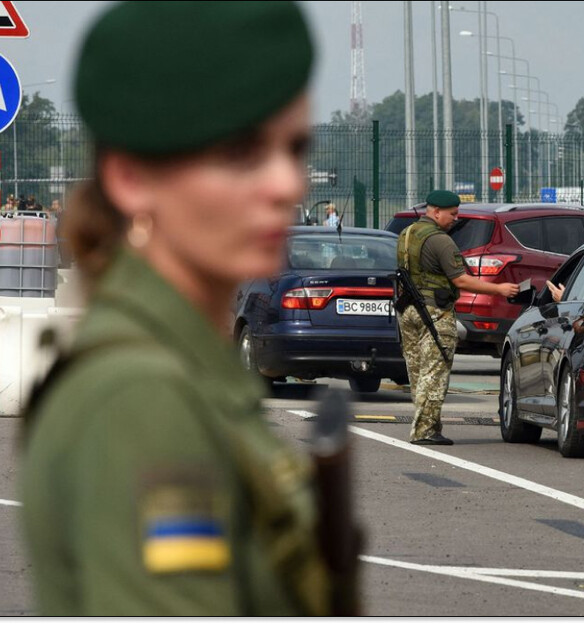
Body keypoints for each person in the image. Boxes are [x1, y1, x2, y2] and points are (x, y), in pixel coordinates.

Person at [19, 2, 345, 616]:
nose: (287, 184)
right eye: (242, 153)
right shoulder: (140, 398)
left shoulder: (183, 366)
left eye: (294, 147)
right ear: (131, 179)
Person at [397, 190, 519, 445]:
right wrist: (500, 289)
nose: (455, 218)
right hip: (433, 312)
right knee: (435, 370)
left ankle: (426, 425)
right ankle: (425, 431)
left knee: (417, 372)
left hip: (408, 310)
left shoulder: (406, 234)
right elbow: (460, 279)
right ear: (436, 212)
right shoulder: (440, 240)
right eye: (452, 214)